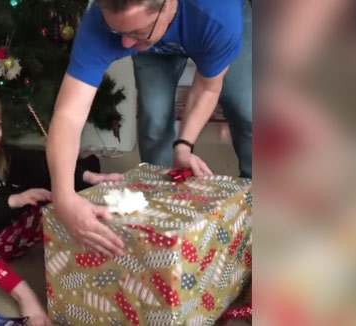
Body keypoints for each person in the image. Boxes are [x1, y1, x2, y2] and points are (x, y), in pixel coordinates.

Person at [46, 0, 250, 257]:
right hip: (158, 42)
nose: (125, 45)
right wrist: (63, 196)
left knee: (248, 110)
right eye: (118, 32)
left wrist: (184, 144)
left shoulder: (218, 16)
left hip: (212, 20)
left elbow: (208, 86)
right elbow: (69, 113)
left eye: (135, 33)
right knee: (154, 117)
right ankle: (163, 231)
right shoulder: (99, 19)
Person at [0, 85, 123, 326]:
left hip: (8, 240)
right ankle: (25, 297)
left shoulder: (3, 155)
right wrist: (15, 200)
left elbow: (43, 165)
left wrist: (89, 177)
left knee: (55, 202)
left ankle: (76, 266)